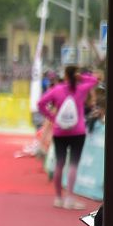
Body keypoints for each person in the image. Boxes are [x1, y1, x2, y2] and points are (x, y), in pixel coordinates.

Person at [38, 65, 99, 209]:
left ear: (65, 75)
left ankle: (58, 198)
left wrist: (52, 117)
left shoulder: (57, 89)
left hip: (60, 131)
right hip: (77, 131)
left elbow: (41, 104)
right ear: (76, 75)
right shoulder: (81, 89)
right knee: (73, 164)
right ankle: (70, 198)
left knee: (59, 163)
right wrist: (81, 77)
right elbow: (94, 80)